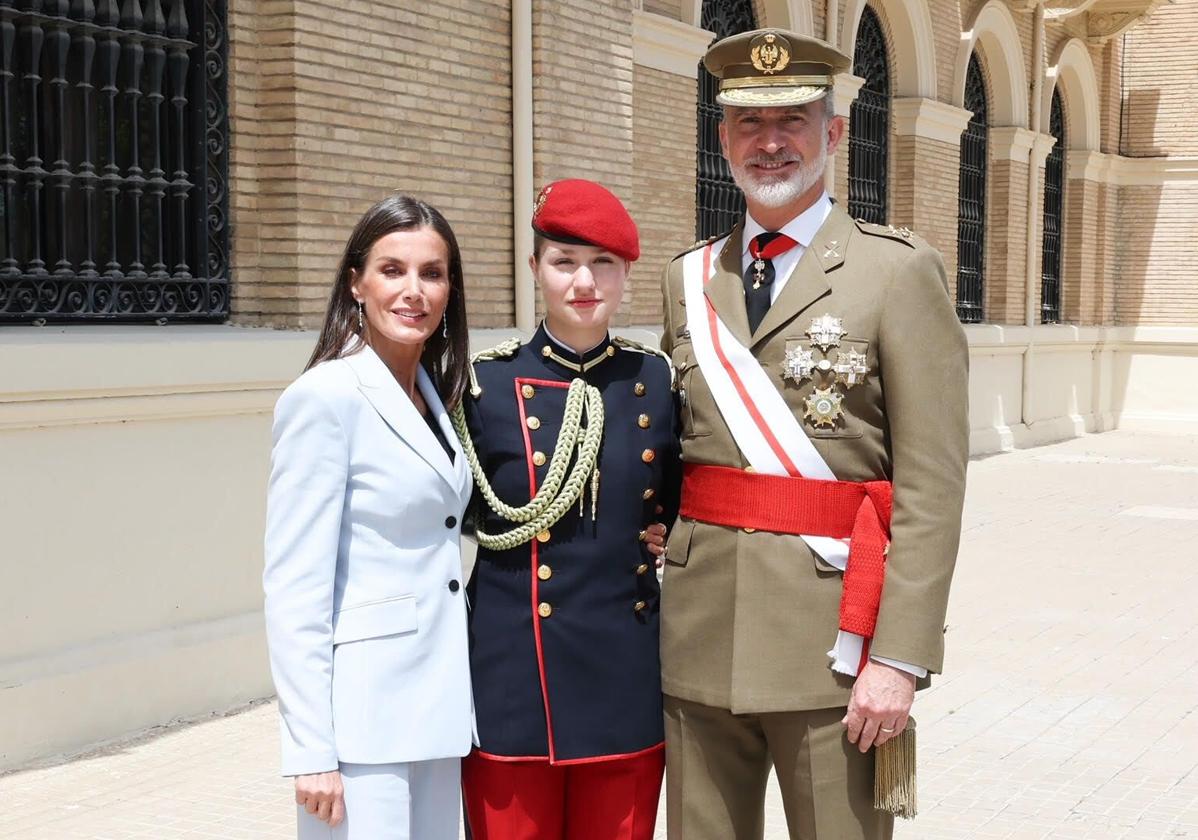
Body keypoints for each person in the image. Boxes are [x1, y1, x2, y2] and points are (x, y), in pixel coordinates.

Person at [657, 29, 969, 840]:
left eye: (792, 119)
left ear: (832, 134)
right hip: (700, 637)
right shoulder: (688, 279)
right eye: (748, 124)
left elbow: (933, 487)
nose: (770, 143)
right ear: (723, 138)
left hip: (837, 649)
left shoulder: (896, 273)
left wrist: (898, 659)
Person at [454, 179, 680, 840]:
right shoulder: (481, 385)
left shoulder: (658, 382)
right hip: (512, 674)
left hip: (624, 673)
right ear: (535, 270)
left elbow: (681, 501)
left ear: (626, 273)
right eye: (563, 262)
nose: (585, 281)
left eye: (603, 263)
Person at [263, 194, 475, 840]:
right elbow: (295, 587)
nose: (414, 291)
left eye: (432, 274)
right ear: (355, 282)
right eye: (392, 270)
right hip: (361, 724)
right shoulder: (325, 398)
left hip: (437, 709)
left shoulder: (437, 394)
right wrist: (310, 751)